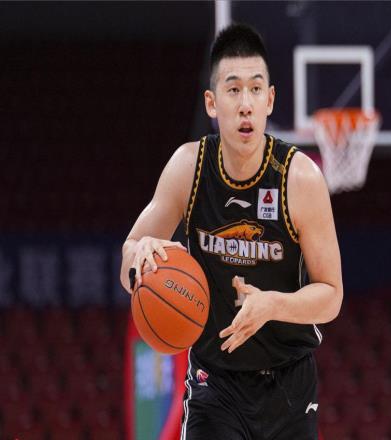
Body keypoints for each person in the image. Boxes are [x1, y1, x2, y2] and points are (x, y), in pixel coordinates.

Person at [120, 23, 343, 440]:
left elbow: (332, 296)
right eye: (233, 89)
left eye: (255, 89)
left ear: (270, 99)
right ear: (211, 102)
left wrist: (272, 305)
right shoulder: (188, 168)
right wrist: (140, 257)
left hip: (289, 383)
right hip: (214, 384)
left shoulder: (300, 179)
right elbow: (129, 258)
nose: (245, 104)